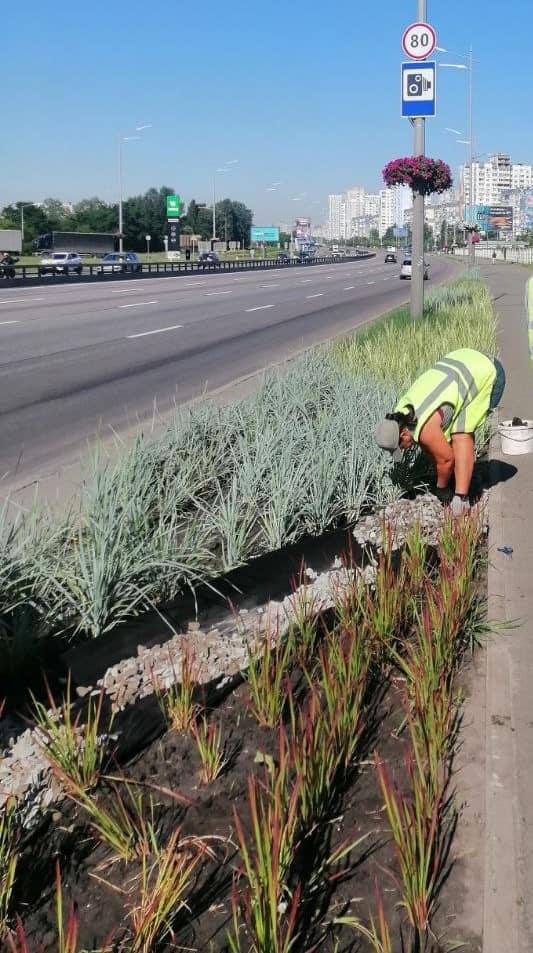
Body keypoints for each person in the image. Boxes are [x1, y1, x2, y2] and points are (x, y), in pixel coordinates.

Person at [374, 348, 506, 515]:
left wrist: (441, 488)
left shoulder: (424, 428)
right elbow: (433, 448)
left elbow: (446, 460)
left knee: (461, 434)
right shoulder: (402, 411)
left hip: (488, 372)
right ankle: (460, 482)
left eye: (401, 446)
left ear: (403, 434)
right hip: (463, 359)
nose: (404, 449)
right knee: (451, 440)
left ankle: (461, 500)